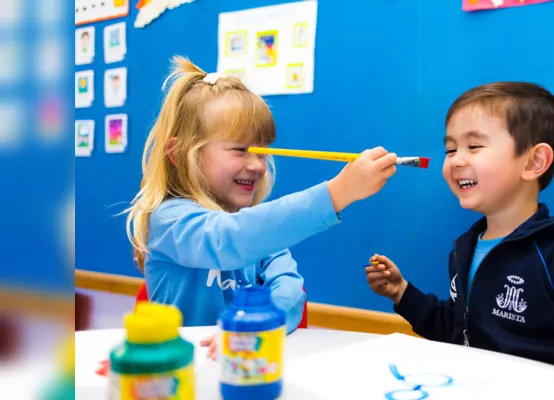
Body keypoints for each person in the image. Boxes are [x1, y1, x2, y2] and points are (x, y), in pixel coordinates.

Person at [365, 82, 554, 391]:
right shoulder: (464, 250)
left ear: (533, 162)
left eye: (474, 146)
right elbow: (457, 330)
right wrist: (401, 293)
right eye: (450, 149)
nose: (456, 160)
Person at [124, 56, 397, 339]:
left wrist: (257, 324)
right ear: (179, 154)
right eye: (241, 150)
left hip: (246, 367)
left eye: (262, 151)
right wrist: (339, 192)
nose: (257, 165)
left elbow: (290, 288)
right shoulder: (170, 220)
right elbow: (226, 240)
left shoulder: (260, 235)